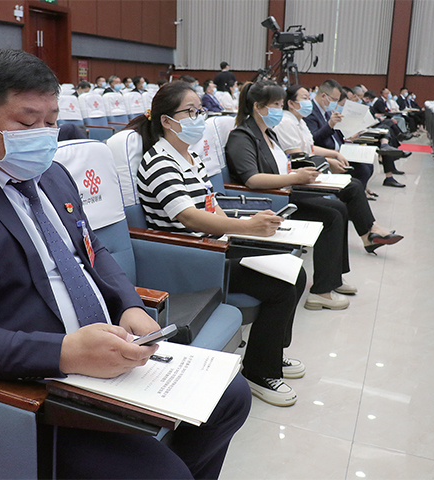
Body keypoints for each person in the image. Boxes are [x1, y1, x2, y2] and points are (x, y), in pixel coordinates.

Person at [0, 49, 251, 480]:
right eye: (27, 123)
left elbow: (91, 249)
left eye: (51, 121)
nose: (44, 136)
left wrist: (128, 304)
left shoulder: (53, 174)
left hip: (108, 349)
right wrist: (66, 353)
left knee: (232, 396)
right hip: (36, 384)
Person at [130, 80, 307, 406]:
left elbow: (211, 206)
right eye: (190, 112)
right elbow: (190, 218)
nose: (199, 118)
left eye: (200, 111)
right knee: (281, 287)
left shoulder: (189, 156)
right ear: (167, 120)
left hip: (215, 247)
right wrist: (247, 227)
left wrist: (243, 230)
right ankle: (259, 372)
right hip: (194, 259)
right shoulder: (159, 162)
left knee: (295, 272)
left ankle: (269, 353)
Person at [225, 80, 358, 311]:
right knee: (331, 217)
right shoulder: (242, 136)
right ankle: (322, 292)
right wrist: (294, 178)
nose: (280, 110)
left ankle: (333, 277)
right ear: (258, 107)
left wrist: (299, 172)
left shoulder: (268, 133)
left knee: (339, 208)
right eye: (276, 105)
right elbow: (252, 179)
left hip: (283, 192)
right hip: (268, 202)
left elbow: (280, 167)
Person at [273, 84, 403, 252]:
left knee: (355, 182)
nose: (308, 102)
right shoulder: (286, 122)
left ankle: (370, 234)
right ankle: (370, 233)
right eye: (304, 98)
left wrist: (334, 154)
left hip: (313, 163)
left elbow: (310, 148)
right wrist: (328, 160)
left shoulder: (299, 121)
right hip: (302, 171)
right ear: (291, 103)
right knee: (352, 186)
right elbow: (297, 154)